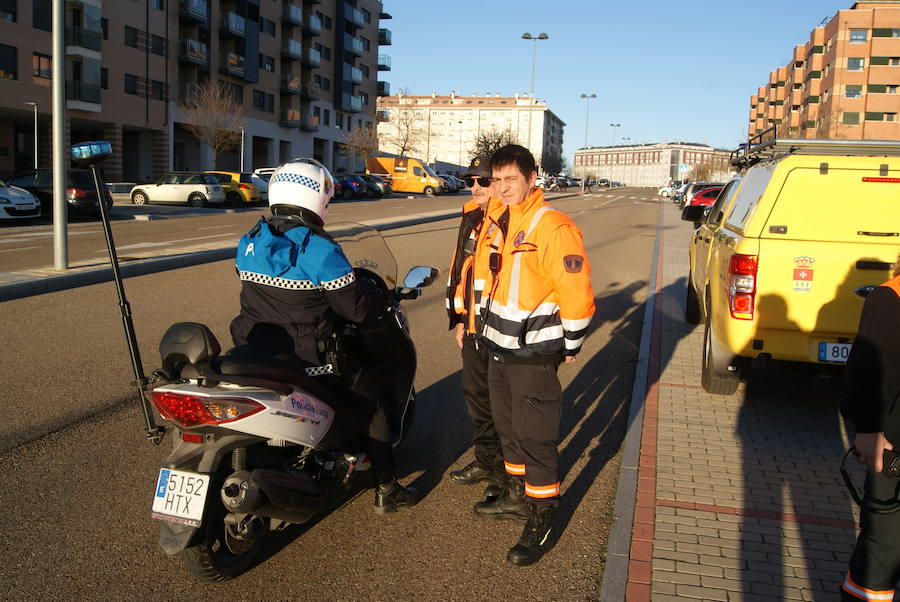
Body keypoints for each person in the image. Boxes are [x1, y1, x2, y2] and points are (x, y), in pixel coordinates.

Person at [230, 159, 419, 515]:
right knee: (374, 401)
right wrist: (383, 297)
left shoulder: (250, 240)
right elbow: (355, 308)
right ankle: (387, 488)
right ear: (318, 199)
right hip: (311, 361)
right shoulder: (319, 249)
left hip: (256, 351)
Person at [472, 144, 595, 566]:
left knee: (537, 438)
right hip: (498, 348)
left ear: (531, 180)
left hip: (532, 352)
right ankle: (516, 495)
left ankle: (543, 517)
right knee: (508, 428)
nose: (503, 187)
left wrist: (570, 345)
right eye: (497, 180)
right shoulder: (500, 221)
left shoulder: (552, 226)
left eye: (511, 180)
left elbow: (576, 294)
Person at [445, 156, 505, 500]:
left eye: (483, 181)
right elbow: (462, 270)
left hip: (499, 330)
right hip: (472, 326)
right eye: (471, 181)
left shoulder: (508, 218)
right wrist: (459, 319)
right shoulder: (472, 214)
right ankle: (485, 460)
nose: (475, 187)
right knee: (477, 400)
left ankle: (502, 476)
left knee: (501, 406)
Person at [840, 261, 900, 601]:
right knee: (877, 568)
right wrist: (868, 427)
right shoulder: (891, 296)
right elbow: (869, 368)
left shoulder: (890, 295)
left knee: (878, 566)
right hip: (893, 456)